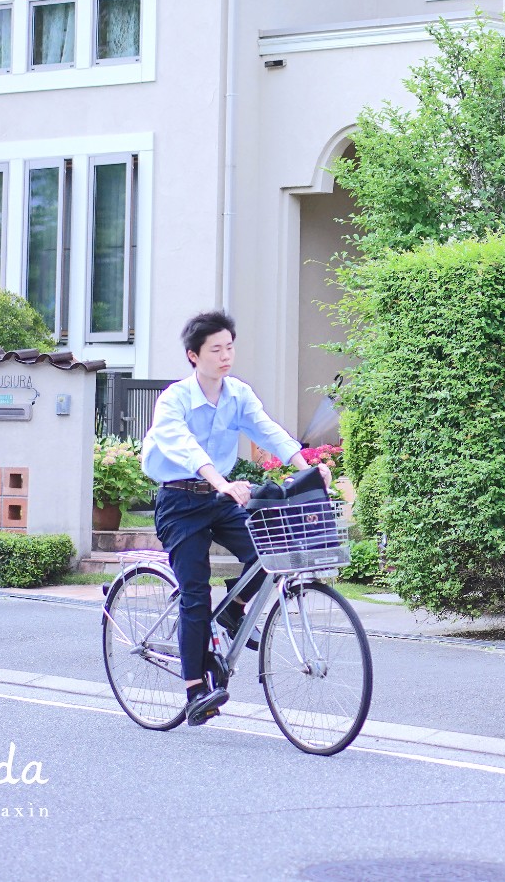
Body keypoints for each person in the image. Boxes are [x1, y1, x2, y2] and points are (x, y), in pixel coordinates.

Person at [141, 309, 330, 726]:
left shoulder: (238, 394)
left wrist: (305, 465)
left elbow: (268, 431)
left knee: (274, 549)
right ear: (194, 356)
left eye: (229, 347)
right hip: (179, 500)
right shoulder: (174, 399)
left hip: (220, 497)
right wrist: (220, 480)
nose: (225, 356)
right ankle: (194, 691)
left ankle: (234, 608)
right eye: (215, 349)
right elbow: (185, 447)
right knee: (194, 595)